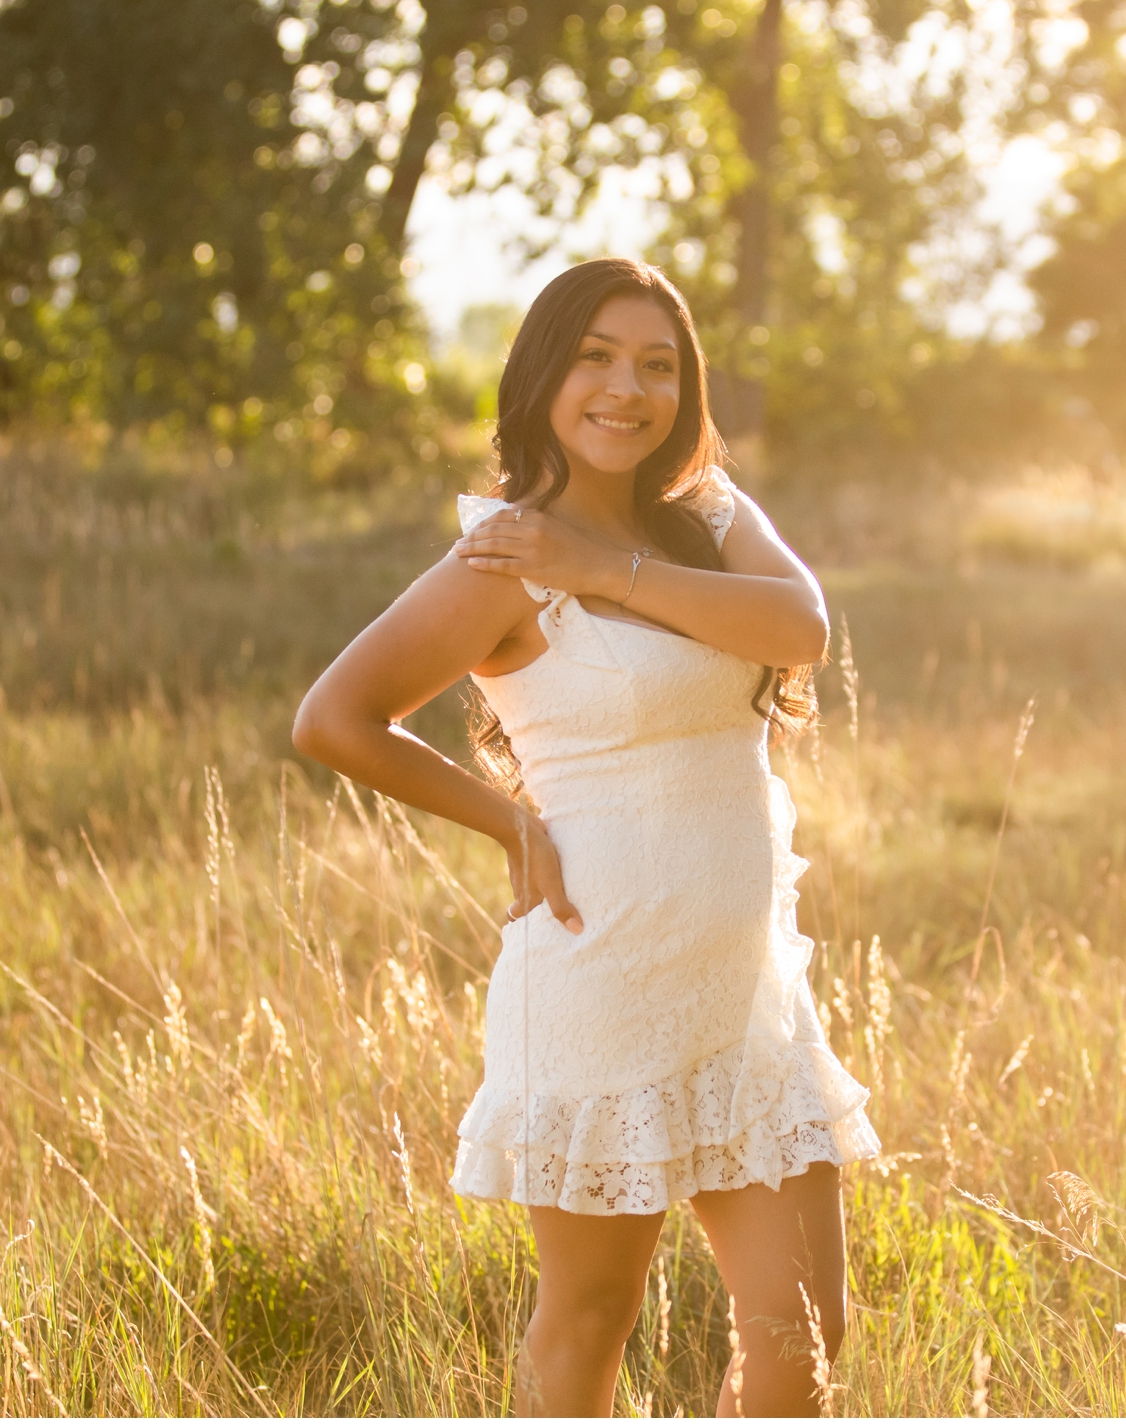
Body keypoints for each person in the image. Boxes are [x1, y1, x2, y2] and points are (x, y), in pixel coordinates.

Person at [292, 257, 879, 1416]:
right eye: (598, 358)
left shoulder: (709, 515)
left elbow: (801, 625)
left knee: (804, 1336)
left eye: (658, 365)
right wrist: (508, 819)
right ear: (544, 376)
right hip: (599, 979)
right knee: (592, 1320)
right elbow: (336, 718)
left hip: (748, 992)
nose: (629, 388)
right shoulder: (501, 558)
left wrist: (606, 566)